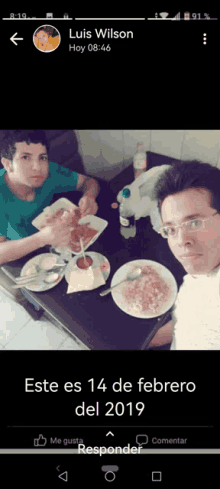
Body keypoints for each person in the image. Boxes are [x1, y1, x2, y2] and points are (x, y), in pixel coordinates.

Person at [148, 160, 220, 350]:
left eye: (194, 223)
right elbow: (185, 321)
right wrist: (141, 344)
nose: (181, 240)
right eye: (170, 229)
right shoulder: (204, 266)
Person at [0, 130, 99, 264]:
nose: (37, 167)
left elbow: (89, 183)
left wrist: (90, 196)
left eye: (42, 157)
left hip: (60, 248)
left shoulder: (51, 172)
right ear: (7, 164)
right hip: (23, 258)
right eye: (25, 157)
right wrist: (41, 239)